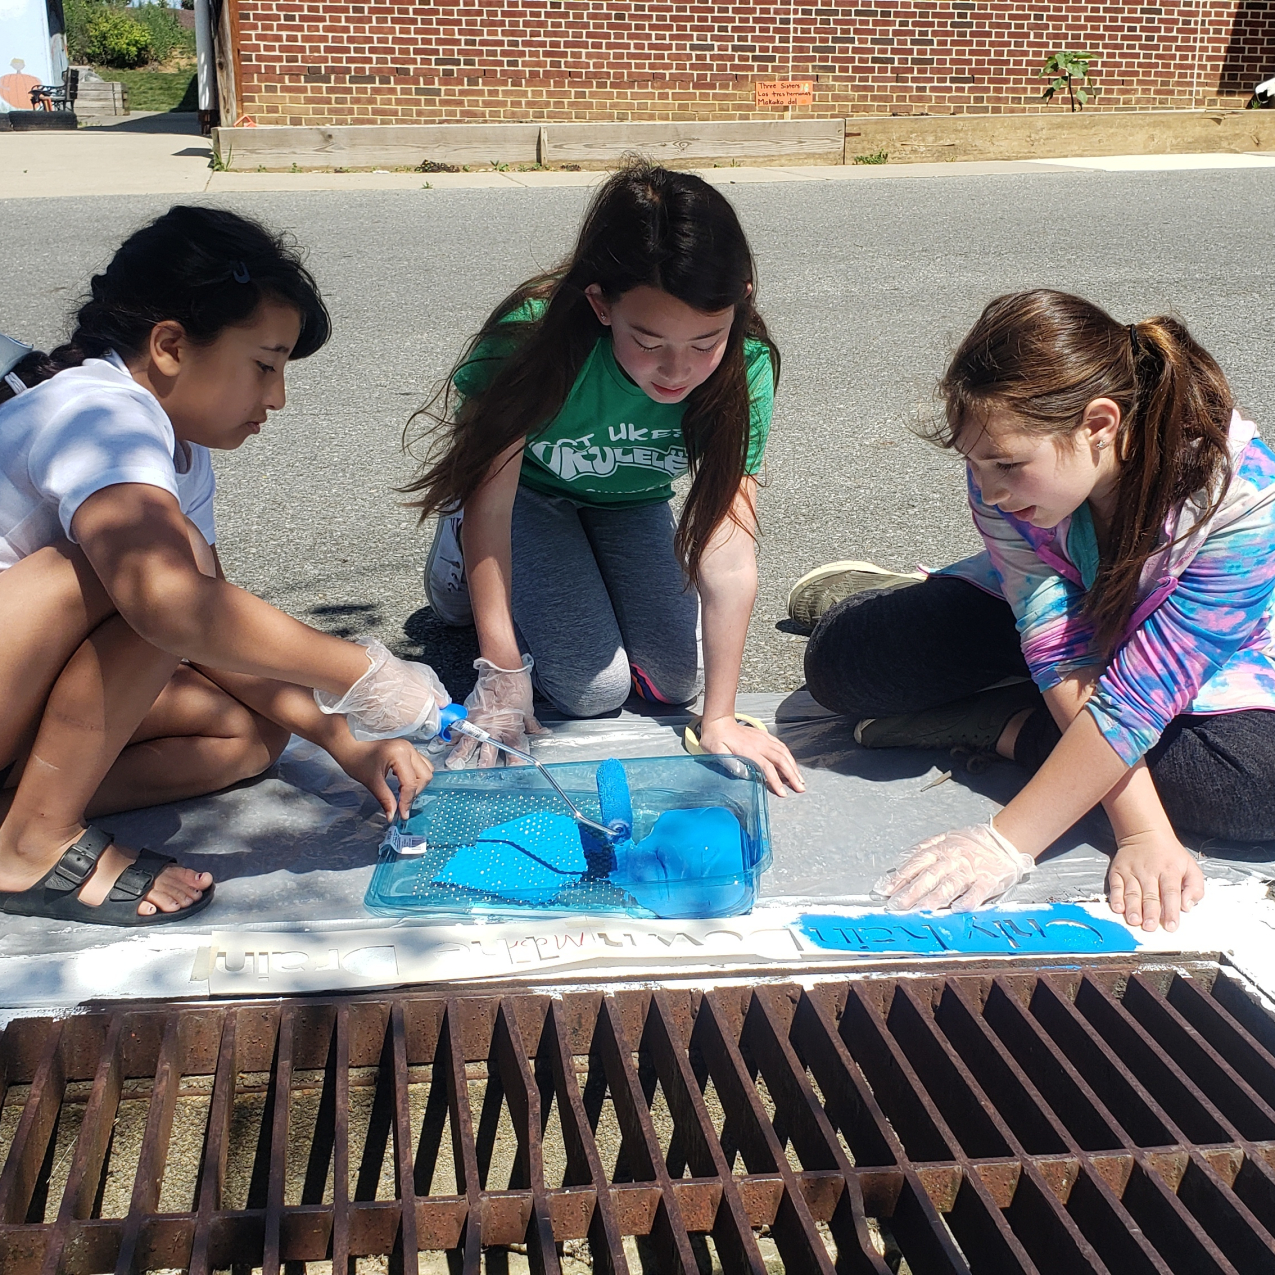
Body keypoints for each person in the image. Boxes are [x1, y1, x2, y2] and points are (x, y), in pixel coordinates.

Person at [0, 206, 450, 927]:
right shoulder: (98, 412)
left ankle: (18, 806)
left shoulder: (179, 444)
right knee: (143, 581)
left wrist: (345, 738)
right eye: (264, 365)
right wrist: (356, 670)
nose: (275, 397)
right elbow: (172, 606)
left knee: (246, 735)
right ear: (171, 344)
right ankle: (30, 842)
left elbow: (214, 627)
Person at [794, 289, 1275, 932]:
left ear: (1099, 426)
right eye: (976, 464)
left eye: (1009, 466)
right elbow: (1057, 643)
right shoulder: (1006, 477)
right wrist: (1141, 829)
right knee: (843, 665)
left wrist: (1008, 841)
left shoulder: (1240, 503)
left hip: (1191, 659)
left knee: (1251, 793)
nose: (989, 490)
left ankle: (1001, 720)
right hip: (1052, 619)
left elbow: (1142, 696)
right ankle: (880, 590)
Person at [404, 161, 803, 797]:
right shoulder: (527, 341)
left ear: (741, 301)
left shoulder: (747, 363)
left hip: (631, 497)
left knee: (678, 682)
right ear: (600, 304)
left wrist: (720, 716)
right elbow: (496, 503)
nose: (678, 371)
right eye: (649, 341)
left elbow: (729, 547)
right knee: (591, 692)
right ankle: (454, 550)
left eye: (707, 341)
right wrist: (502, 672)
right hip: (528, 496)